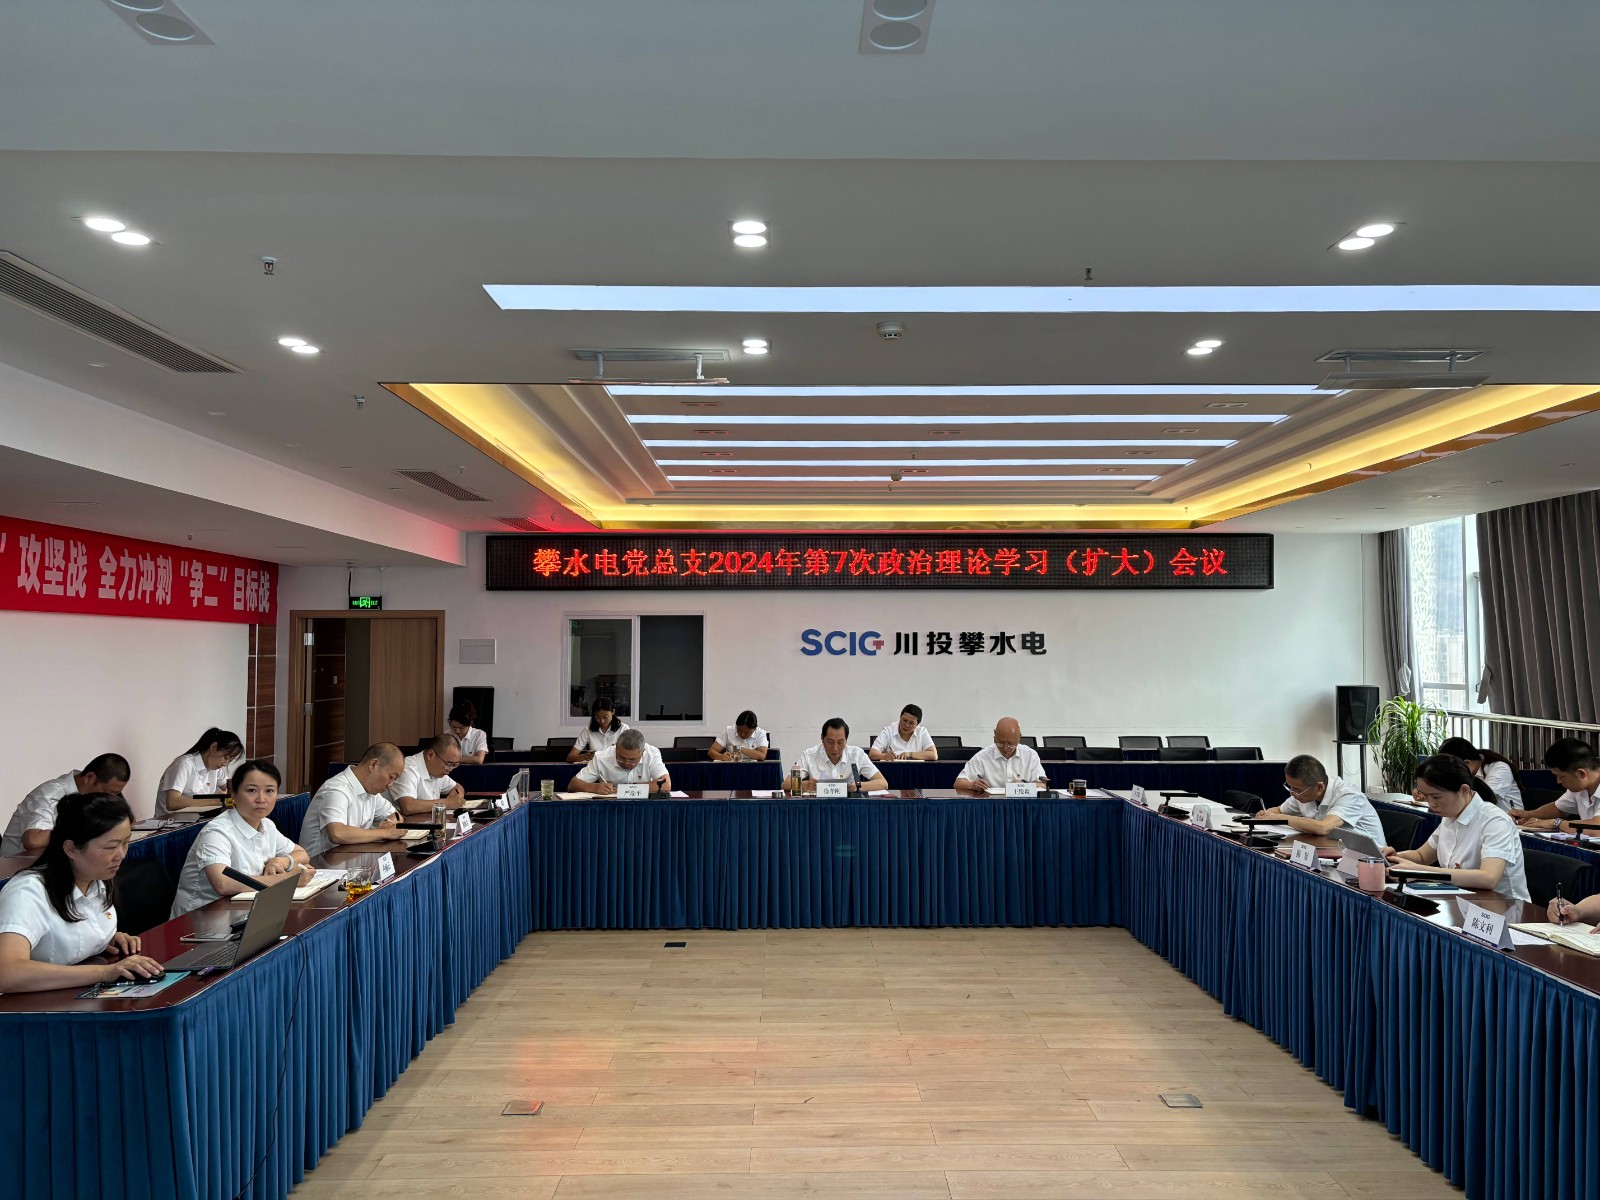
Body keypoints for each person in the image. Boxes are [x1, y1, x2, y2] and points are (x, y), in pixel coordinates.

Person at [0, 793, 162, 993]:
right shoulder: (27, 893)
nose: (121, 855)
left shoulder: (97, 880)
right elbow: (7, 972)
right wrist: (104, 972)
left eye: (126, 843)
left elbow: (68, 936)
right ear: (71, 848)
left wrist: (104, 939)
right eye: (111, 847)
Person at [170, 760, 312, 917]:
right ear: (234, 794)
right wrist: (288, 880)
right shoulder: (217, 832)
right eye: (251, 790)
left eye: (269, 791)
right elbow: (222, 883)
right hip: (201, 921)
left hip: (246, 912)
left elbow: (302, 854)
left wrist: (280, 861)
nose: (261, 799)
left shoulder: (267, 825)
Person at [1386, 753, 1529, 901]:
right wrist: (1394, 857)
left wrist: (1419, 872)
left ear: (1464, 790)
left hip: (1502, 907)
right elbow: (1422, 856)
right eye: (1426, 796)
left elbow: (1488, 878)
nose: (1431, 803)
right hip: (1461, 901)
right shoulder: (1450, 815)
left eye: (1436, 797)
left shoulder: (1495, 821)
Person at [2, 753, 131, 857]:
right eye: (109, 792)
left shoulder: (95, 792)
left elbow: (126, 819)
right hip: (17, 871)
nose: (110, 798)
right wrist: (78, 829)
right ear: (90, 777)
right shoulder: (50, 794)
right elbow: (33, 840)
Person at [1254, 753, 1387, 847]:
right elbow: (1278, 810)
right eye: (1290, 787)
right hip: (1334, 849)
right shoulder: (1303, 794)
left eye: (1297, 789)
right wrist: (1266, 814)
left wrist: (1280, 818)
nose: (1293, 793)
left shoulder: (1348, 795)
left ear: (1319, 787)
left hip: (1370, 857)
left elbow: (1323, 827)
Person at [300, 743, 405, 858]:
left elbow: (397, 815)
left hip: (350, 858)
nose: (390, 785)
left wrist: (390, 823)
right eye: (391, 777)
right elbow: (337, 833)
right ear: (373, 765)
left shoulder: (371, 791)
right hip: (320, 864)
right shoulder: (337, 789)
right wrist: (385, 833)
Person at [1510, 738, 1599, 833]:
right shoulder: (1579, 789)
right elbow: (1558, 809)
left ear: (1581, 773)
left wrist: (1556, 823)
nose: (1558, 781)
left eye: (1561, 776)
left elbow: (1597, 829)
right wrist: (1527, 815)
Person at [155, 728, 244, 818]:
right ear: (213, 747)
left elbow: (234, 789)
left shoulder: (215, 769)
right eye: (226, 757)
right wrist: (215, 801)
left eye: (230, 760)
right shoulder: (184, 764)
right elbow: (172, 803)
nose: (225, 764)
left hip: (199, 820)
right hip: (170, 823)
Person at [954, 717, 1048, 793]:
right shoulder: (982, 756)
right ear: (995, 735)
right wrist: (973, 785)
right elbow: (958, 783)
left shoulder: (1030, 755)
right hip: (992, 804)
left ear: (1019, 737)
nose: (1006, 747)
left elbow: (1042, 784)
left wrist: (1022, 786)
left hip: (1022, 804)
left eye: (1011, 744)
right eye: (1001, 743)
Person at [798, 719, 887, 794]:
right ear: (822, 738)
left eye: (840, 742)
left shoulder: (857, 754)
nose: (835, 748)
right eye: (830, 742)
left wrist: (858, 786)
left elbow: (883, 783)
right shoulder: (809, 755)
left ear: (846, 740)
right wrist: (805, 785)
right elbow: (789, 782)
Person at [572, 729, 671, 795]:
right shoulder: (602, 757)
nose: (626, 763)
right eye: (621, 757)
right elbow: (573, 785)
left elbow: (666, 785)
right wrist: (595, 788)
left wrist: (627, 789)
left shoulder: (651, 754)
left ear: (642, 752)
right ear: (615, 747)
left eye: (632, 760)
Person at [385, 734, 466, 817]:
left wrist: (457, 798)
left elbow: (457, 787)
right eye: (449, 763)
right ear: (430, 755)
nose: (450, 769)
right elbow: (408, 807)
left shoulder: (437, 769)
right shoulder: (408, 769)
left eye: (455, 765)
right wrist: (447, 803)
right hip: (398, 822)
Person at [1436, 737, 1521, 812]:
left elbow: (1485, 798)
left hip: (1509, 821)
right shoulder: (1469, 773)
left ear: (1467, 763)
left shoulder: (1499, 768)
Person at [869, 704, 937, 762]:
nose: (906, 725)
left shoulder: (922, 732)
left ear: (917, 724)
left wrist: (910, 754)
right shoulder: (888, 731)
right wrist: (885, 756)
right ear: (900, 717)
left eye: (911, 723)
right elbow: (872, 754)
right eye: (904, 720)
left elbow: (933, 755)